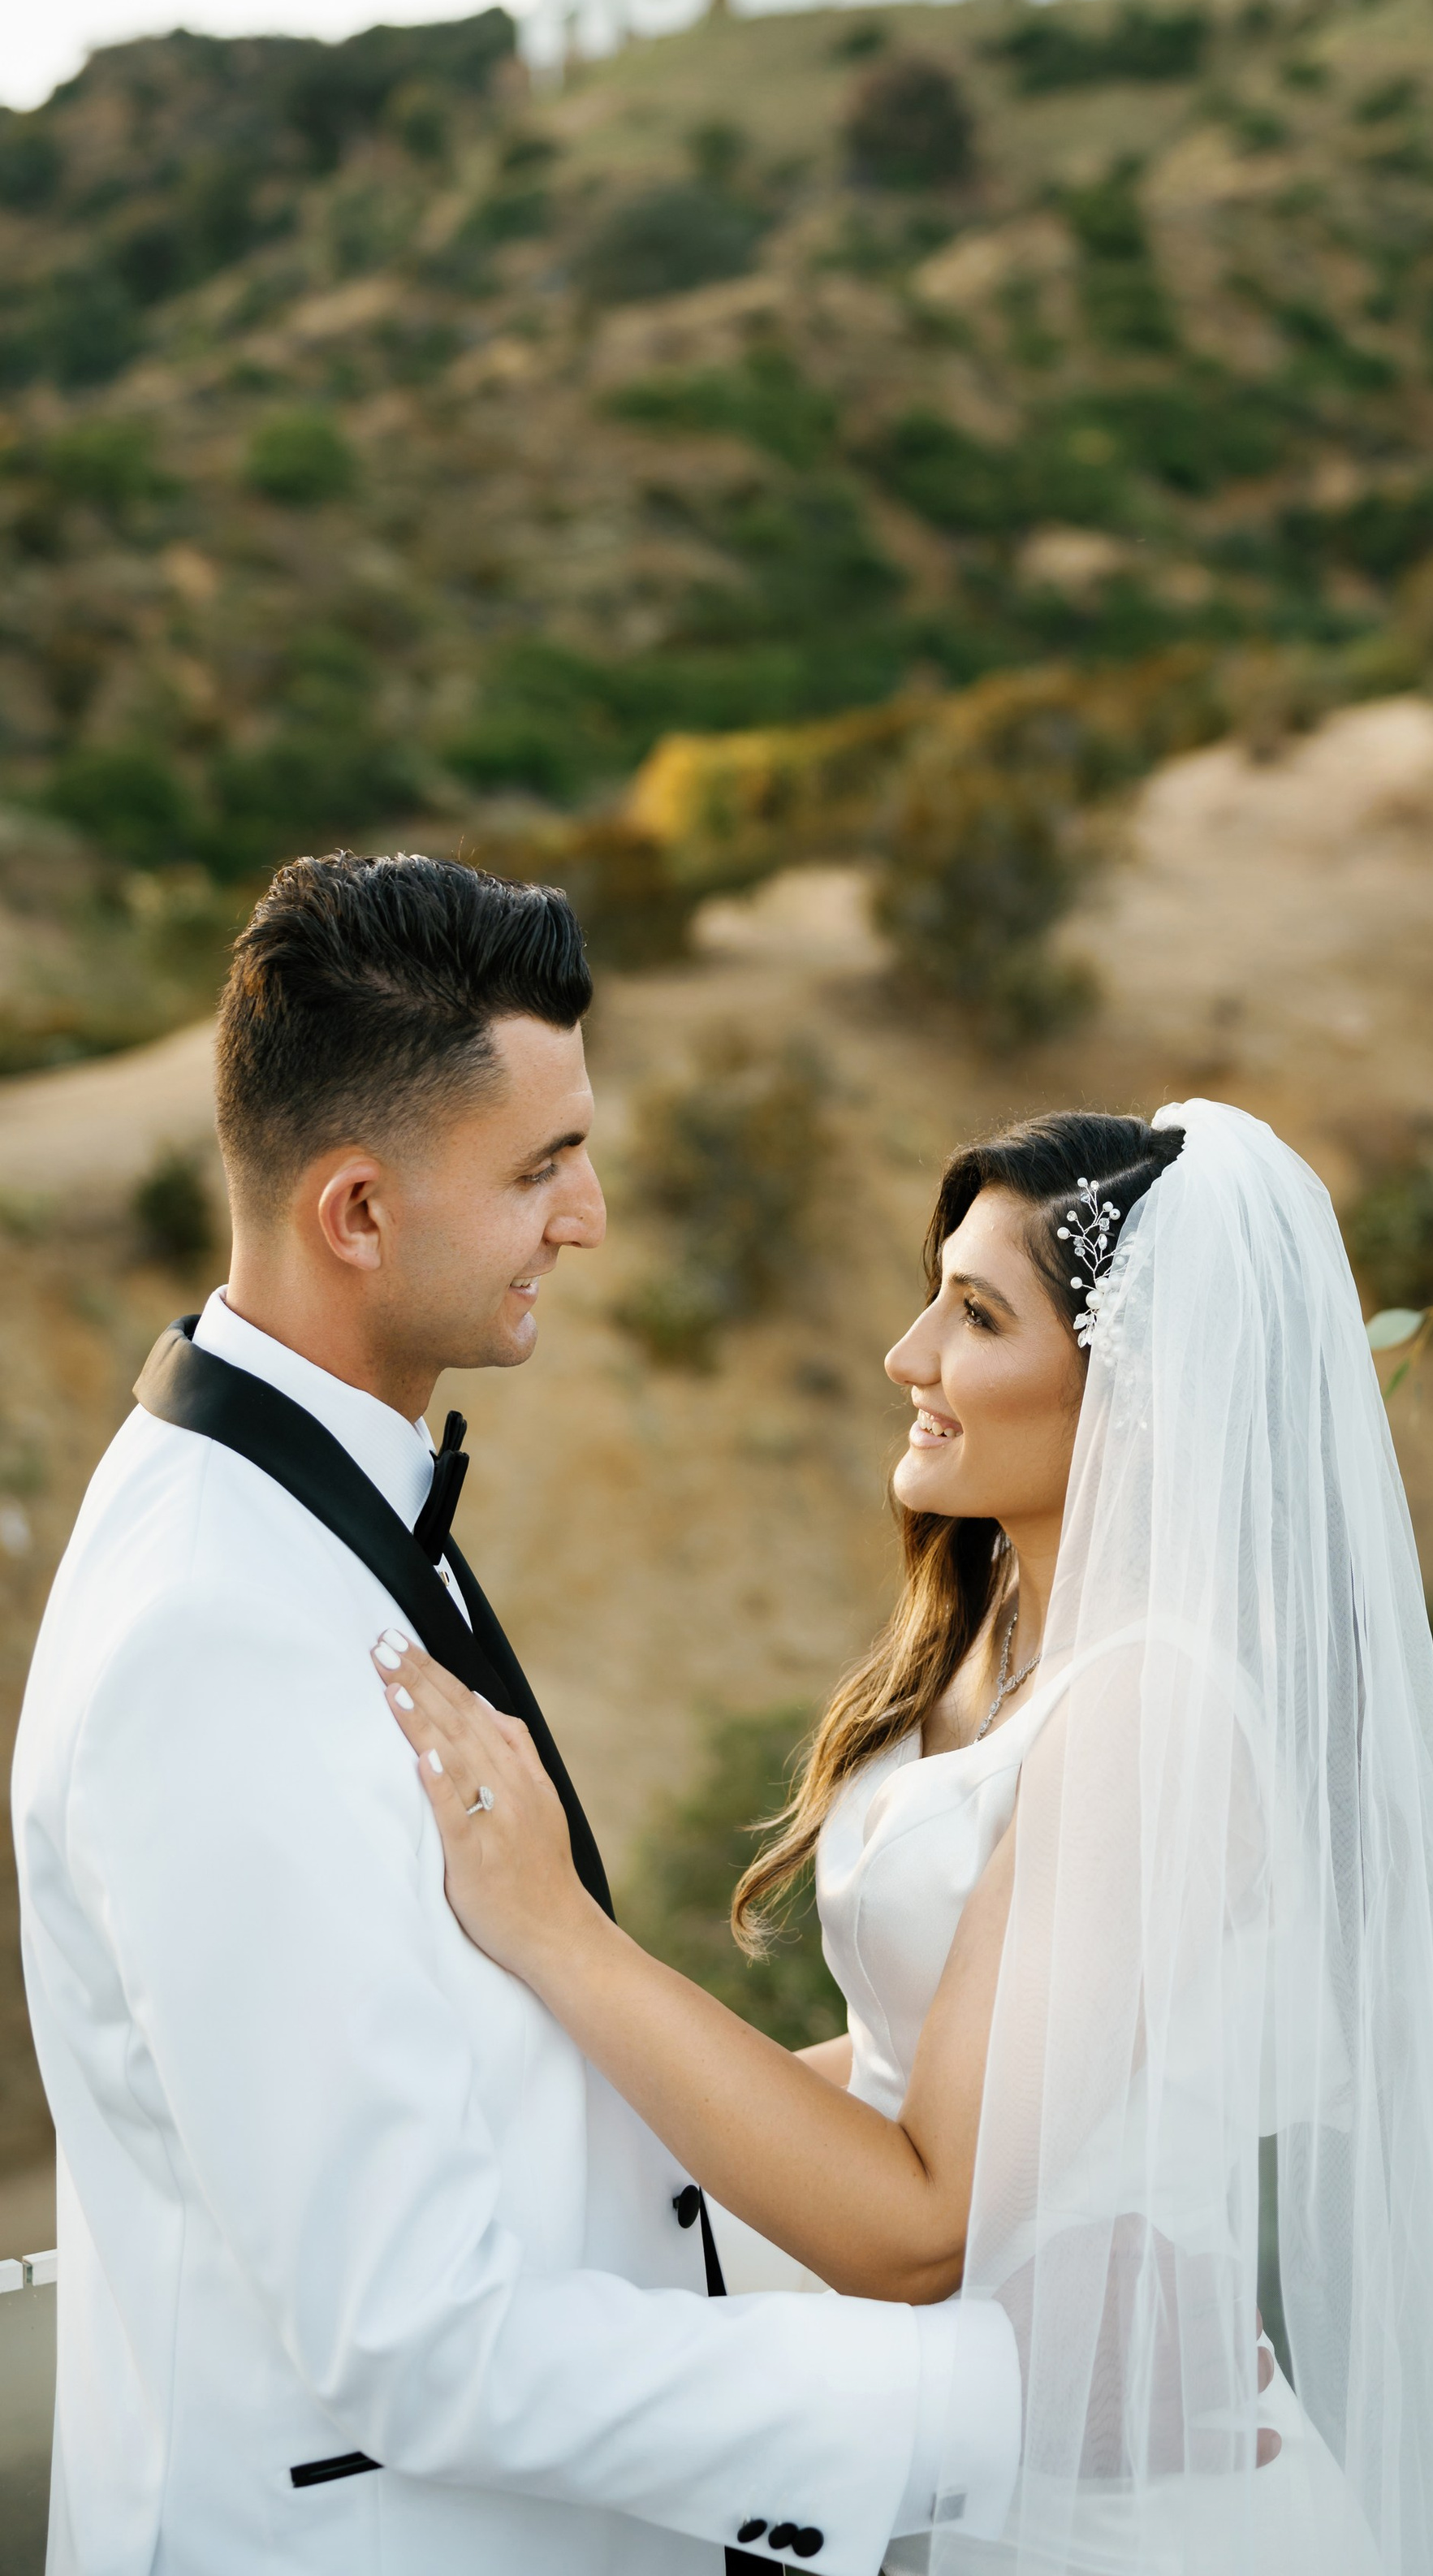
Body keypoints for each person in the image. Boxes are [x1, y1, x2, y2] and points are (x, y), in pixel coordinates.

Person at [373, 1100, 1433, 2574]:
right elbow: (900, 2063)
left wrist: (553, 1931)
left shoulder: (1154, 1708)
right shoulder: (989, 1640)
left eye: (977, 1315)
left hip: (1133, 2516)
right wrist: (570, 2164)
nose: (910, 1355)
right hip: (961, 2453)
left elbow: (922, 2218)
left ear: (1139, 1391)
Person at [11, 850, 1018, 2576]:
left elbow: (477, 2095)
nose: (590, 1214)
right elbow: (413, 2338)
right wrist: (987, 2404)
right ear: (356, 1212)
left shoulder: (313, 1502)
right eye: (541, 1166)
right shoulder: (214, 1633)